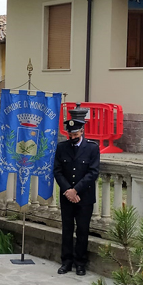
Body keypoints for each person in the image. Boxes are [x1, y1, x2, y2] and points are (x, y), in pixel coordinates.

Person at [53, 117, 100, 276]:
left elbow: (93, 172)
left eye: (75, 135)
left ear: (82, 132)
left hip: (84, 197)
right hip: (67, 196)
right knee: (67, 229)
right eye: (70, 135)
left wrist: (76, 190)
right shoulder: (62, 147)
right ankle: (66, 261)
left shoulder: (92, 148)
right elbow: (57, 171)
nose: (72, 138)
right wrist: (68, 190)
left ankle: (80, 262)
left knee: (82, 230)